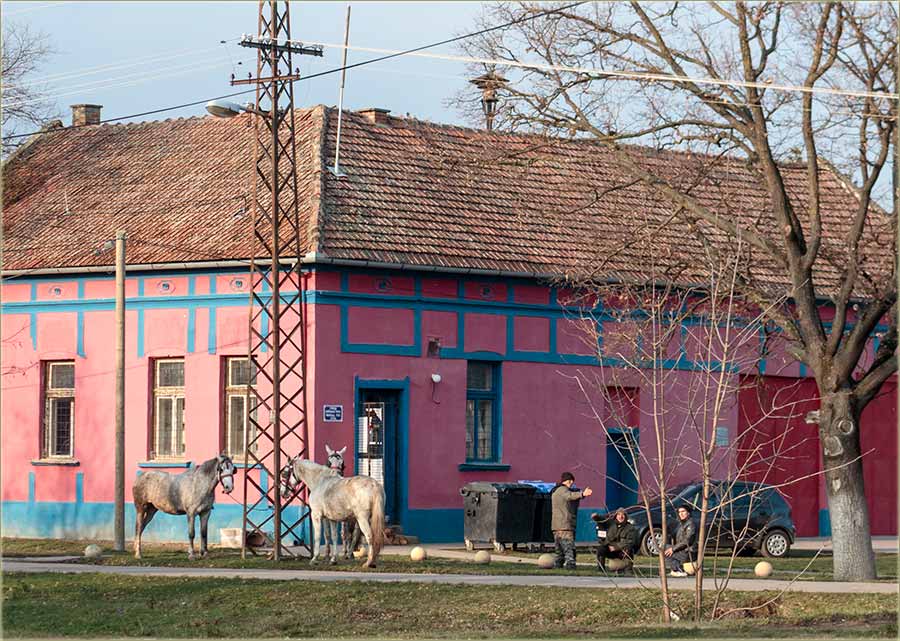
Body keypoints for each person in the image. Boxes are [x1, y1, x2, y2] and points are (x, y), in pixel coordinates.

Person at [551, 471, 593, 570]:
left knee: (559, 548)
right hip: (565, 524)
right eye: (571, 481)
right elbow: (570, 495)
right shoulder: (563, 490)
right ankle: (570, 564)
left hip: (556, 525)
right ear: (569, 481)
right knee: (568, 547)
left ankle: (558, 564)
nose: (572, 484)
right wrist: (583, 494)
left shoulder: (555, 491)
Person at [595, 508, 638, 572]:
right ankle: (601, 570)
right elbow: (602, 521)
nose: (621, 516)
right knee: (601, 549)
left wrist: (616, 547)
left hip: (622, 551)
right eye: (619, 514)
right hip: (611, 550)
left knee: (629, 549)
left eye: (623, 515)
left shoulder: (630, 528)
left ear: (626, 516)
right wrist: (596, 517)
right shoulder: (611, 524)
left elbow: (630, 542)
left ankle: (628, 569)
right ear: (616, 516)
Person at [664, 505, 696, 577]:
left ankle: (678, 570)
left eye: (683, 511)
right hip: (683, 550)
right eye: (679, 512)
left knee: (665, 549)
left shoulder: (691, 524)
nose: (681, 514)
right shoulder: (682, 523)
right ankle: (675, 569)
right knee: (664, 547)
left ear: (688, 513)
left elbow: (687, 541)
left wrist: (673, 549)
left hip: (689, 552)